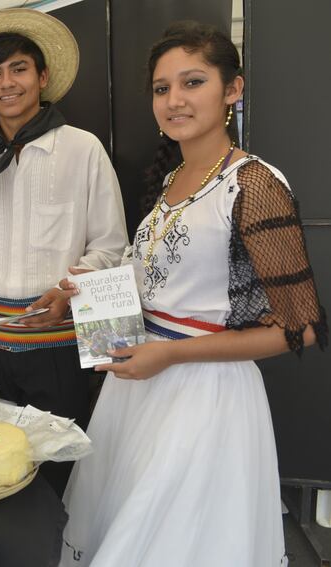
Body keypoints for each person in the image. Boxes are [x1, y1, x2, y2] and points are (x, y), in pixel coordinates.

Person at [58, 21, 328, 567]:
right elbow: (164, 291)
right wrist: (92, 296)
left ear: (234, 89)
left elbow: (298, 329)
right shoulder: (171, 180)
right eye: (162, 89)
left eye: (193, 82)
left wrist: (173, 352)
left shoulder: (254, 185)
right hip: (137, 392)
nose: (174, 100)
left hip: (203, 400)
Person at [0, 9, 128, 493]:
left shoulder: (83, 150)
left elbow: (111, 246)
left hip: (60, 347)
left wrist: (69, 291)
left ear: (43, 77)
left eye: (19, 69)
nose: (8, 83)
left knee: (61, 471)